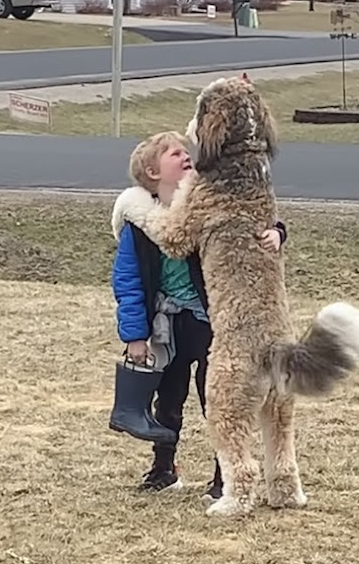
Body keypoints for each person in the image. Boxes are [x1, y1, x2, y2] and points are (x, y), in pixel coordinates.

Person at [108, 131, 287, 498]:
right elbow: (127, 281)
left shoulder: (206, 205)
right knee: (167, 399)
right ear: (152, 172)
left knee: (216, 400)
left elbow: (247, 218)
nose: (186, 156)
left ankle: (224, 477)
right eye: (175, 153)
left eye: (185, 151)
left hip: (209, 321)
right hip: (166, 324)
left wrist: (277, 232)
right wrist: (136, 335)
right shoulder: (139, 223)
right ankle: (164, 468)